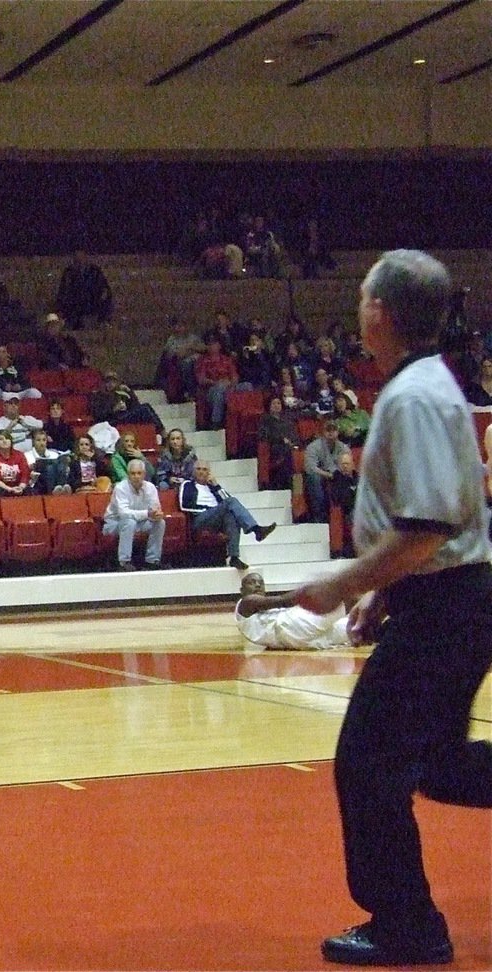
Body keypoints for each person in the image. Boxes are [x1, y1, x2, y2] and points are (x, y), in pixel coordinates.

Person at [294, 250, 492, 967]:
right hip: (451, 598)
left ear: (379, 312)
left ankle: (408, 926)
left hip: (447, 604)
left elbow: (430, 529)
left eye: (361, 300)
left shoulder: (412, 397)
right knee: (436, 764)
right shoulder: (429, 386)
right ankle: (407, 920)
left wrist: (344, 584)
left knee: (368, 762)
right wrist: (385, 591)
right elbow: (433, 527)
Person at [179, 459, 276, 570]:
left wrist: (216, 486)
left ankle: (234, 557)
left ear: (209, 472)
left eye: (205, 469)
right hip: (199, 518)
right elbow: (184, 505)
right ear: (194, 471)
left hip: (216, 518)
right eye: (198, 469)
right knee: (230, 503)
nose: (201, 472)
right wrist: (209, 509)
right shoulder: (187, 485)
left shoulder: (213, 487)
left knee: (231, 515)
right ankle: (256, 530)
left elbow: (227, 499)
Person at [236, 572, 350, 650]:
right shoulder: (247, 602)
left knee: (354, 629)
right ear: (242, 590)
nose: (257, 585)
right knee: (340, 598)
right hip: (290, 626)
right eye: (251, 582)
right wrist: (309, 589)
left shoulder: (259, 610)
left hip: (293, 641)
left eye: (261, 583)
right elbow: (285, 601)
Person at [103, 459, 166, 571]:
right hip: (114, 523)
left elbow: (155, 508)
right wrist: (147, 513)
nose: (136, 476)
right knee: (129, 522)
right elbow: (123, 513)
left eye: (139, 473)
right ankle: (124, 562)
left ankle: (152, 560)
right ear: (128, 475)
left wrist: (157, 514)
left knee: (160, 522)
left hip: (140, 522)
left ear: (144, 474)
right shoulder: (120, 487)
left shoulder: (151, 487)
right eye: (133, 473)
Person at [303, 419, 349, 523]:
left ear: (338, 432)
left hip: (336, 476)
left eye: (333, 430)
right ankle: (319, 516)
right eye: (328, 430)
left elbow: (347, 464)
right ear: (323, 432)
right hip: (319, 475)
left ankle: (345, 515)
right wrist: (327, 474)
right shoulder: (313, 447)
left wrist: (336, 474)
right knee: (314, 478)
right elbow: (310, 467)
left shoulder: (343, 447)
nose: (331, 432)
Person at [55, 249, 112, 329]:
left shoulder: (95, 271)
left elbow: (104, 288)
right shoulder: (69, 273)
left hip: (92, 303)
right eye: (77, 259)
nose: (80, 262)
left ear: (86, 258)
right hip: (74, 305)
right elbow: (63, 291)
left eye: (81, 258)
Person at [258, 394, 298, 490]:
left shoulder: (287, 420)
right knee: (285, 453)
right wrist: (281, 439)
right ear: (269, 406)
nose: (277, 405)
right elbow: (264, 436)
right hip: (274, 448)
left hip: (289, 447)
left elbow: (293, 435)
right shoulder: (265, 420)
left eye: (279, 403)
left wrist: (292, 442)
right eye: (274, 403)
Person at [22, 427, 71, 495]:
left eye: (44, 440)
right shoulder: (26, 455)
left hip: (55, 478)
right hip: (37, 480)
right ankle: (52, 491)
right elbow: (26, 471)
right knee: (49, 468)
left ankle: (62, 488)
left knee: (61, 465)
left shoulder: (54, 453)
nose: (41, 443)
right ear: (33, 441)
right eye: (38, 440)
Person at [0, 429, 33, 497]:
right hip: (0, 487)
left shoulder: (19, 455)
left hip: (18, 486)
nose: (4, 441)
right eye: (1, 439)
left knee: (30, 490)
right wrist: (9, 489)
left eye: (7, 438)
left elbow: (25, 474)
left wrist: (21, 487)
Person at [154, 427, 196, 491]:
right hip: (169, 483)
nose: (175, 441)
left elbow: (194, 473)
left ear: (183, 440)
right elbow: (160, 473)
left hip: (187, 482)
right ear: (169, 441)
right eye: (172, 439)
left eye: (178, 438)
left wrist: (184, 480)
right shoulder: (163, 456)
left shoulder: (191, 456)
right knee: (162, 485)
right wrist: (169, 479)